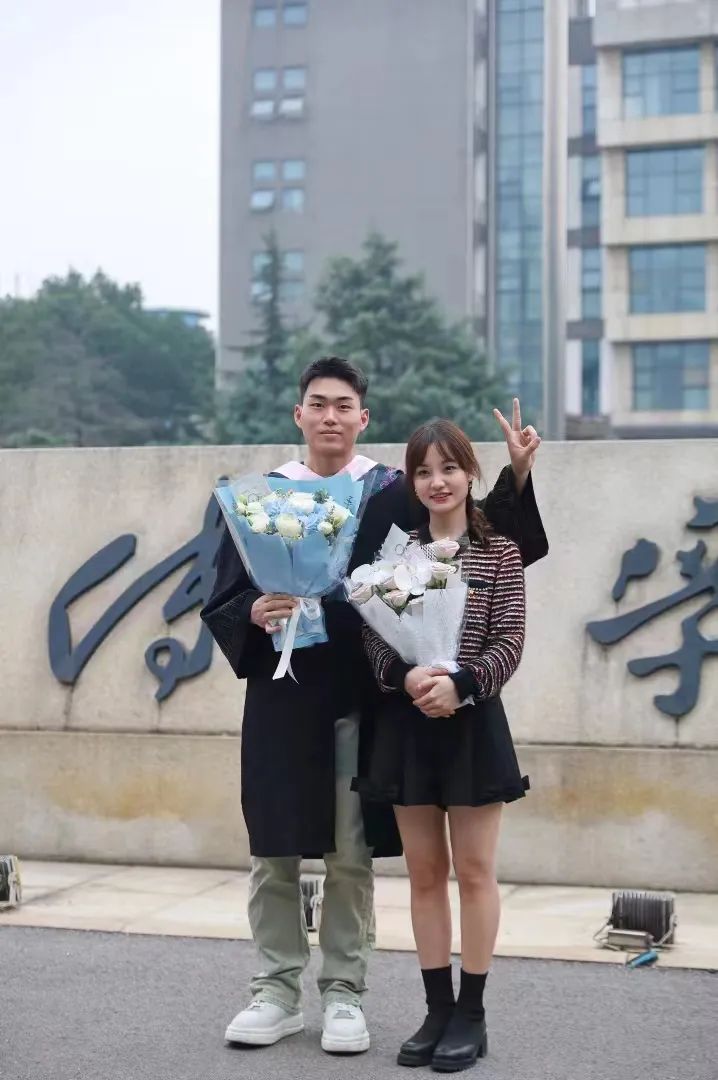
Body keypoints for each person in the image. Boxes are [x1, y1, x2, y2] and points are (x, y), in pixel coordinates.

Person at [200, 357, 547, 1056]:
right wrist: (254, 611)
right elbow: (223, 593)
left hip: (365, 692)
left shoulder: (388, 492)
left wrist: (517, 474)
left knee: (350, 850)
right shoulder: (258, 499)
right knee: (273, 847)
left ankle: (344, 992)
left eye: (343, 405)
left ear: (363, 418)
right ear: (298, 414)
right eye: (317, 403)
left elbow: (471, 534)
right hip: (281, 692)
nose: (329, 416)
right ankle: (275, 990)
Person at [358, 418, 531, 1072]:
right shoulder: (397, 554)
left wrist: (463, 684)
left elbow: (510, 639)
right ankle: (436, 1009)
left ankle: (472, 1014)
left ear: (470, 473)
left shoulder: (501, 551)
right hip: (410, 725)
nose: (437, 481)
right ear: (412, 481)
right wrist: (404, 677)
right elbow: (373, 637)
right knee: (425, 874)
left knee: (476, 871)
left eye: (449, 468)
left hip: (473, 725)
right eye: (424, 471)